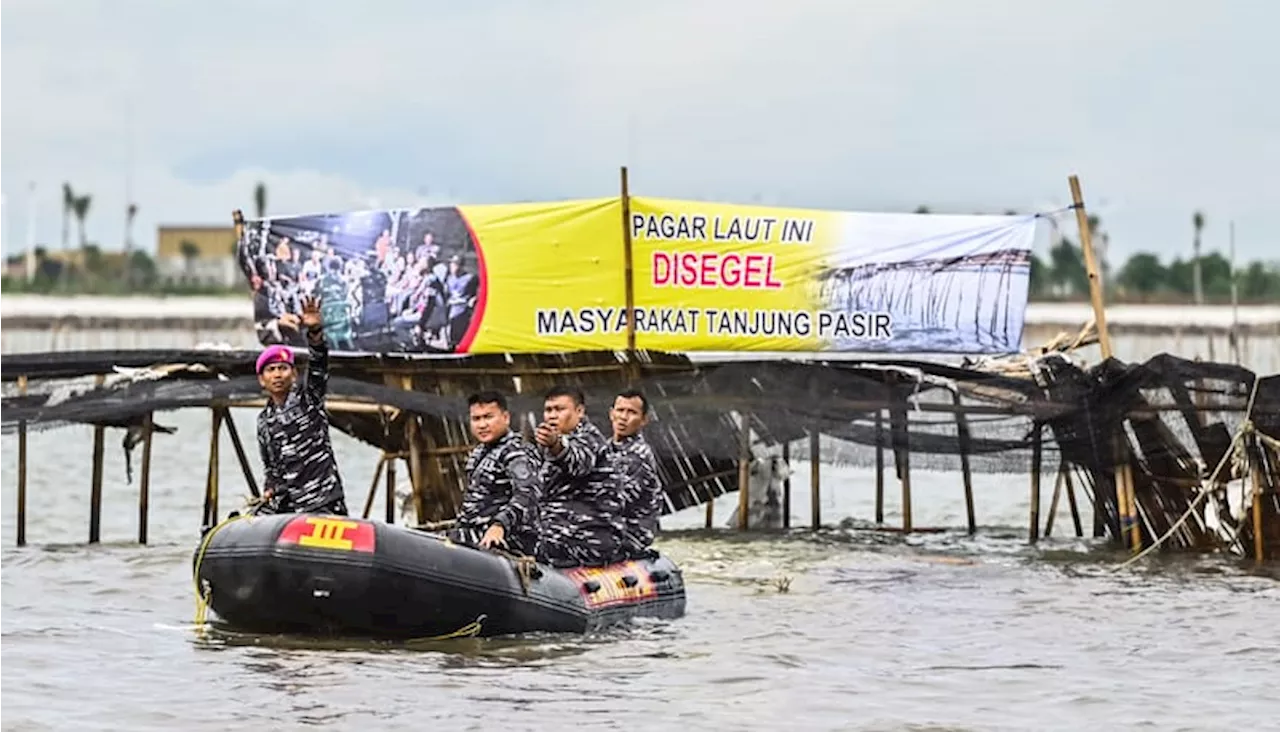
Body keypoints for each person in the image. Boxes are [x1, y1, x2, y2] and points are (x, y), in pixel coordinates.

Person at [254, 295, 349, 516]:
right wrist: (269, 491)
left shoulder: (309, 400)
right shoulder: (264, 421)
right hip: (289, 508)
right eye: (271, 370)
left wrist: (314, 332)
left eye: (283, 368)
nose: (277, 374)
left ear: (294, 373)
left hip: (322, 501)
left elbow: (318, 363)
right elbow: (271, 468)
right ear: (262, 379)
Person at [535, 385, 625, 567]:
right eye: (548, 410)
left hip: (588, 540)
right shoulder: (547, 448)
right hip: (558, 536)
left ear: (579, 411)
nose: (552, 416)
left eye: (559, 409)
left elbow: (577, 462)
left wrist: (555, 445)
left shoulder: (590, 439)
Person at [448, 391, 544, 557]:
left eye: (488, 417)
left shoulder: (516, 452)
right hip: (473, 534)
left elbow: (528, 493)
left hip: (507, 539)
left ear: (505, 418)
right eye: (476, 419)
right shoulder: (478, 453)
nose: (482, 425)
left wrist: (500, 525)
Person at [602, 389, 663, 559]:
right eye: (620, 410)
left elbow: (618, 502)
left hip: (631, 534)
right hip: (608, 527)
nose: (623, 417)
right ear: (611, 413)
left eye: (632, 412)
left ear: (644, 420)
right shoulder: (605, 450)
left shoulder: (639, 455)